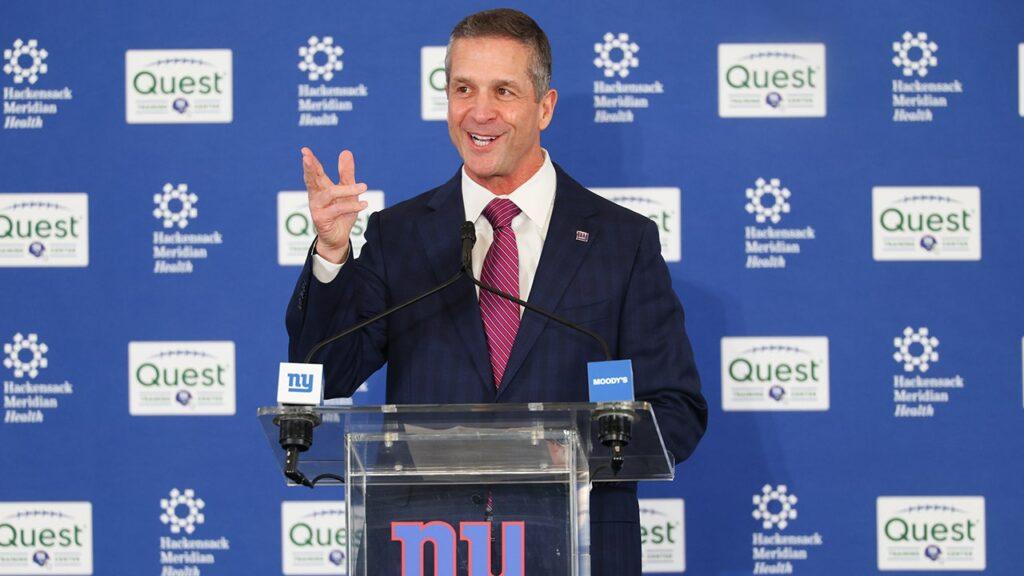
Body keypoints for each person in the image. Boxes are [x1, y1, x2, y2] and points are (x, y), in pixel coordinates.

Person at [287, 8, 707, 575]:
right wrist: (333, 252)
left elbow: (676, 410)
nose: (479, 112)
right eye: (463, 89)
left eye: (503, 91)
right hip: (425, 549)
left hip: (573, 547)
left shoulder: (622, 241)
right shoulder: (400, 234)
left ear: (545, 107)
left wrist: (575, 455)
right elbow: (327, 374)